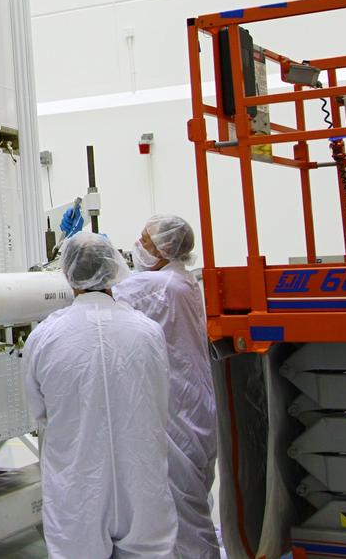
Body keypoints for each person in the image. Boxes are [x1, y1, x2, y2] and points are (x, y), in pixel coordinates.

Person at [24, 232, 177, 558]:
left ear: (68, 274)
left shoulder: (44, 338)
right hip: (142, 485)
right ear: (113, 270)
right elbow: (162, 403)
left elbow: (38, 412)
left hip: (79, 490)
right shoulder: (149, 332)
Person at [115, 215, 220, 559]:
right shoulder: (182, 280)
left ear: (165, 248)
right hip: (196, 406)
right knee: (190, 505)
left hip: (179, 414)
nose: (138, 245)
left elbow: (104, 292)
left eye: (145, 240)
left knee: (186, 519)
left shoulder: (161, 286)